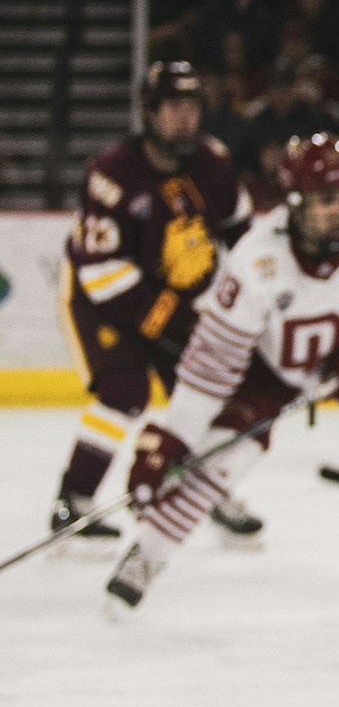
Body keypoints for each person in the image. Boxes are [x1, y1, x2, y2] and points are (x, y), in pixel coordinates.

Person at [105, 134, 339, 614]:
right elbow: (209, 374)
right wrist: (173, 439)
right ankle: (146, 555)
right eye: (324, 199)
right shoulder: (255, 263)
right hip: (268, 369)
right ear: (294, 203)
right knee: (220, 461)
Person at [51, 62, 258, 551]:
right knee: (125, 394)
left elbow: (243, 235)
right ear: (148, 113)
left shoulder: (214, 163)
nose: (184, 119)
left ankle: (209, 492)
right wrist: (170, 322)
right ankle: (72, 501)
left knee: (202, 395)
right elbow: (102, 272)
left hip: (175, 301)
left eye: (192, 108)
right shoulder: (111, 175)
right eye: (173, 108)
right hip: (98, 298)